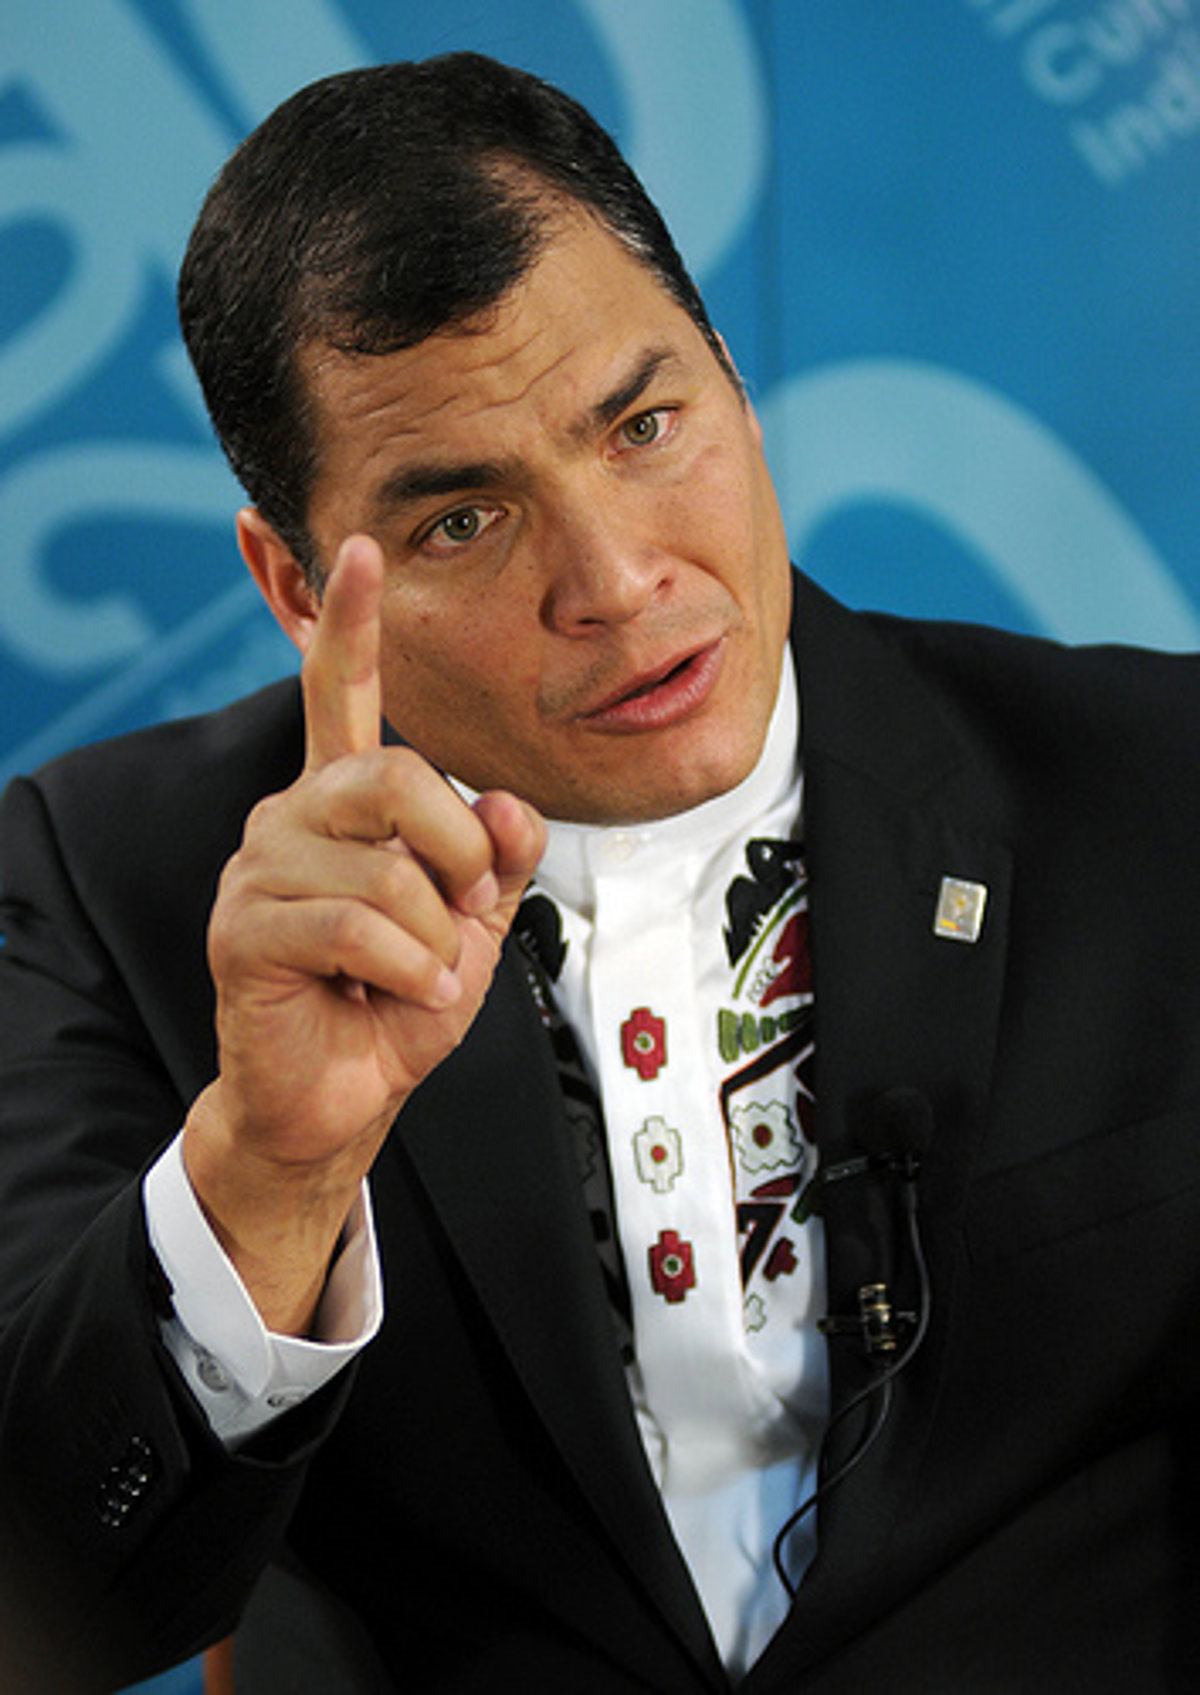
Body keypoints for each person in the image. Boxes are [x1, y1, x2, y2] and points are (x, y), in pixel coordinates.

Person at [0, 51, 1198, 1695]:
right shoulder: (107, 882)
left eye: (643, 426)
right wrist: (270, 1172)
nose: (618, 582)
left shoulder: (1158, 789)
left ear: (735, 384)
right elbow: (45, 1615)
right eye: (462, 523)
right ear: (296, 584)